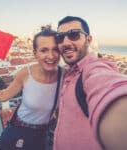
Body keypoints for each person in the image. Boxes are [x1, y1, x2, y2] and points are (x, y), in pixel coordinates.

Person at [0, 29, 63, 150]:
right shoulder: (26, 73)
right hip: (19, 131)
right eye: (44, 50)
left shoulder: (64, 76)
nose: (51, 56)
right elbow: (3, 96)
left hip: (43, 135)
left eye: (55, 49)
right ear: (35, 53)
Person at [54, 16, 127, 150]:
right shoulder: (68, 74)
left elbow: (107, 85)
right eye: (60, 38)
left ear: (88, 40)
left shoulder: (93, 69)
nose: (65, 42)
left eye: (74, 35)